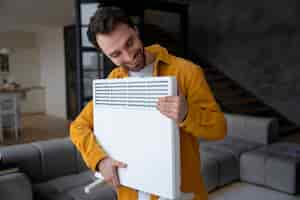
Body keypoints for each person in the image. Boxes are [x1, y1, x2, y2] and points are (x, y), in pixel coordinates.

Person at [70, 6, 227, 200]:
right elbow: (78, 127)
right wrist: (100, 160)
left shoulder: (187, 72)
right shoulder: (113, 81)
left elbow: (219, 128)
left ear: (135, 30)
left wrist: (187, 114)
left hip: (182, 193)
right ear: (106, 55)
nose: (128, 57)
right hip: (130, 193)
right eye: (116, 54)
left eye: (130, 43)